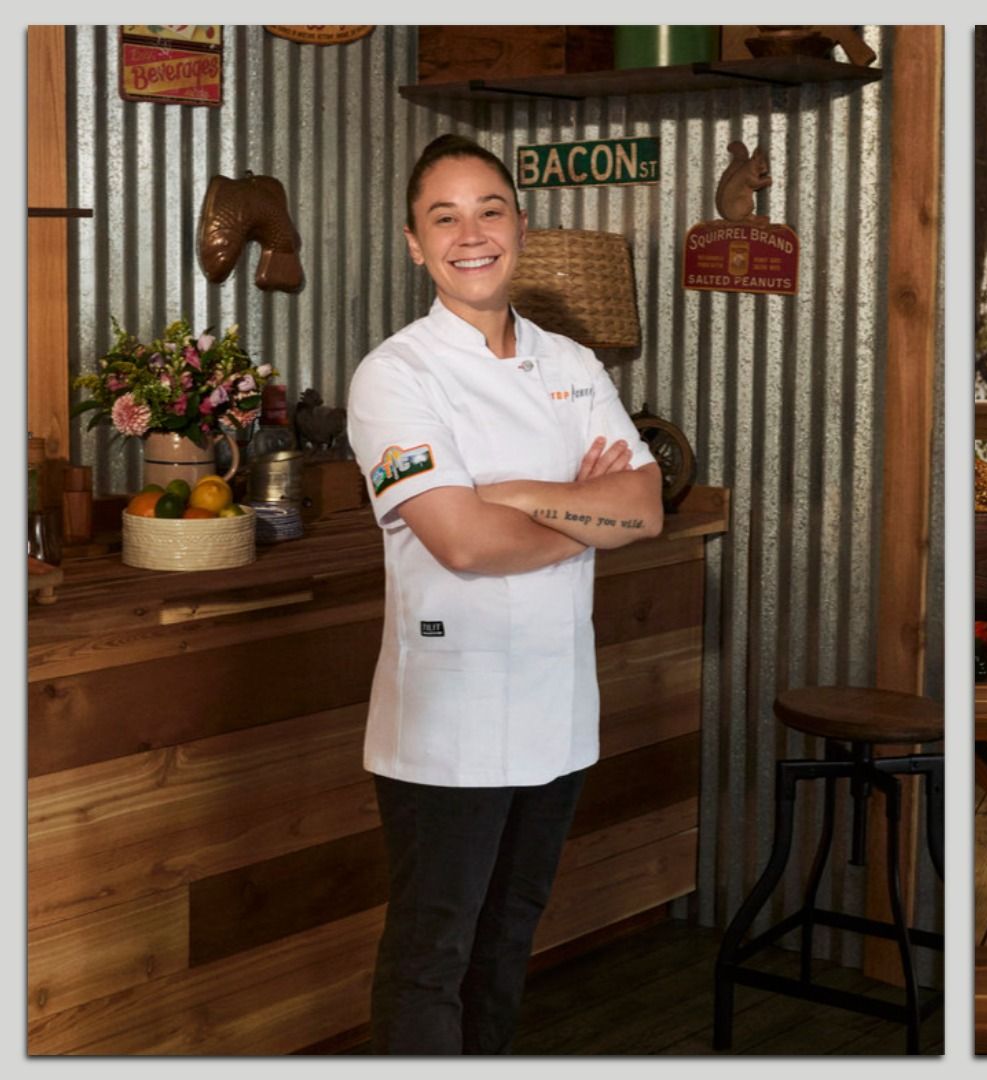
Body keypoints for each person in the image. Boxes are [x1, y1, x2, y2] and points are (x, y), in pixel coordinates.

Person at [346, 133, 664, 1054]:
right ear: (414, 243)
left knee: (508, 939)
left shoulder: (570, 365)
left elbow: (643, 512)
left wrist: (519, 495)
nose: (471, 233)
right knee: (432, 952)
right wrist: (578, 505)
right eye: (444, 217)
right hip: (447, 722)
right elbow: (466, 543)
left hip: (555, 707)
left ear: (519, 226)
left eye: (490, 209)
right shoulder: (394, 377)